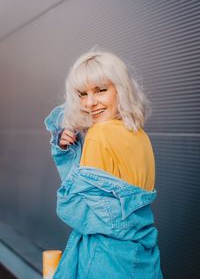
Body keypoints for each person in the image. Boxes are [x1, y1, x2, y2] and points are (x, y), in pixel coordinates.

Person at [45, 50, 163, 279]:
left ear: (122, 88)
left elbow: (75, 206)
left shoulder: (100, 134)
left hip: (105, 258)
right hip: (141, 254)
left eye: (101, 90)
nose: (90, 103)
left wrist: (66, 150)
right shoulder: (140, 135)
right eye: (81, 94)